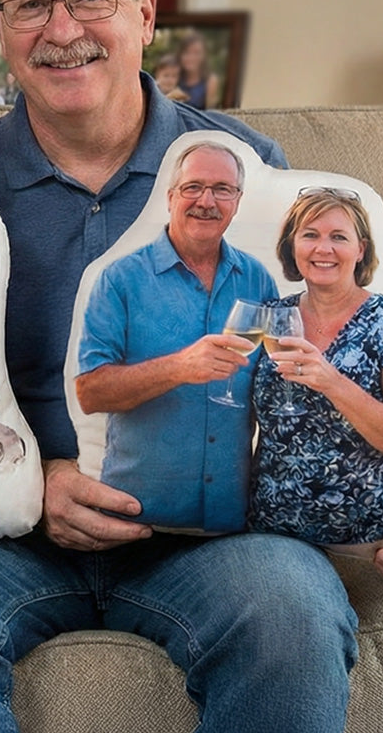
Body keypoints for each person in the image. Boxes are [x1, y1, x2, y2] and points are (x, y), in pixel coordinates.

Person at [0, 0, 363, 733]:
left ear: (146, 11)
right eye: (30, 5)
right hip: (1, 533)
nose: (62, 28)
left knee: (295, 605)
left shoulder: (249, 173)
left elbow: (318, 365)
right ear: (1, 25)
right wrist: (31, 484)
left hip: (207, 538)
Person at [75, 141, 276, 533]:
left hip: (232, 524)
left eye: (222, 189)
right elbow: (89, 393)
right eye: (193, 187)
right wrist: (180, 367)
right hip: (138, 525)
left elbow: (272, 384)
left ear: (237, 201)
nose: (207, 200)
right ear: (170, 197)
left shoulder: (258, 279)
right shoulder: (120, 280)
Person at [251, 187, 383, 548]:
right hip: (270, 529)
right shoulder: (273, 317)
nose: (323, 248)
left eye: (338, 237)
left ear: (361, 249)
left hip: (363, 539)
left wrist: (333, 383)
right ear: (292, 247)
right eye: (310, 235)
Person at [176, 29, 219, 109]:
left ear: (204, 56)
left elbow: (211, 114)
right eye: (187, 52)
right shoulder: (174, 75)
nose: (191, 58)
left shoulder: (210, 81)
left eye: (196, 53)